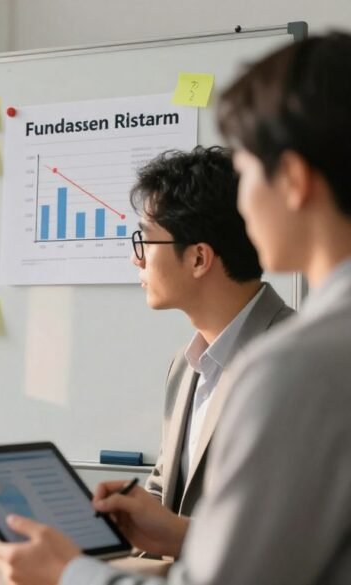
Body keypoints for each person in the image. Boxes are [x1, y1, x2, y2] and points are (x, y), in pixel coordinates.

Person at [0, 32, 351, 585]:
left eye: (249, 174)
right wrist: (178, 530)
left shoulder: (292, 365)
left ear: (293, 180)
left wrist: (67, 574)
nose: (245, 204)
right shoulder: (194, 365)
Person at [130, 146, 293, 524]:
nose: (136, 259)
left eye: (145, 242)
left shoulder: (292, 358)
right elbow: (169, 491)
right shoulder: (184, 367)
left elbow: (282, 524)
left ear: (199, 258)